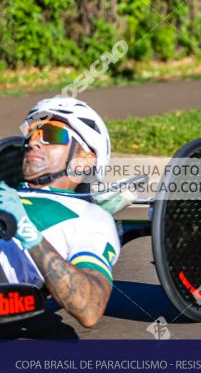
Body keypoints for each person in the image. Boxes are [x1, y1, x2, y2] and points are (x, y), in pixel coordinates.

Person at [0, 98, 118, 328]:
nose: (34, 141)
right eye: (32, 133)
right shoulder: (8, 190)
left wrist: (26, 230)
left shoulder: (90, 217)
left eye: (51, 135)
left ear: (85, 159)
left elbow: (90, 307)